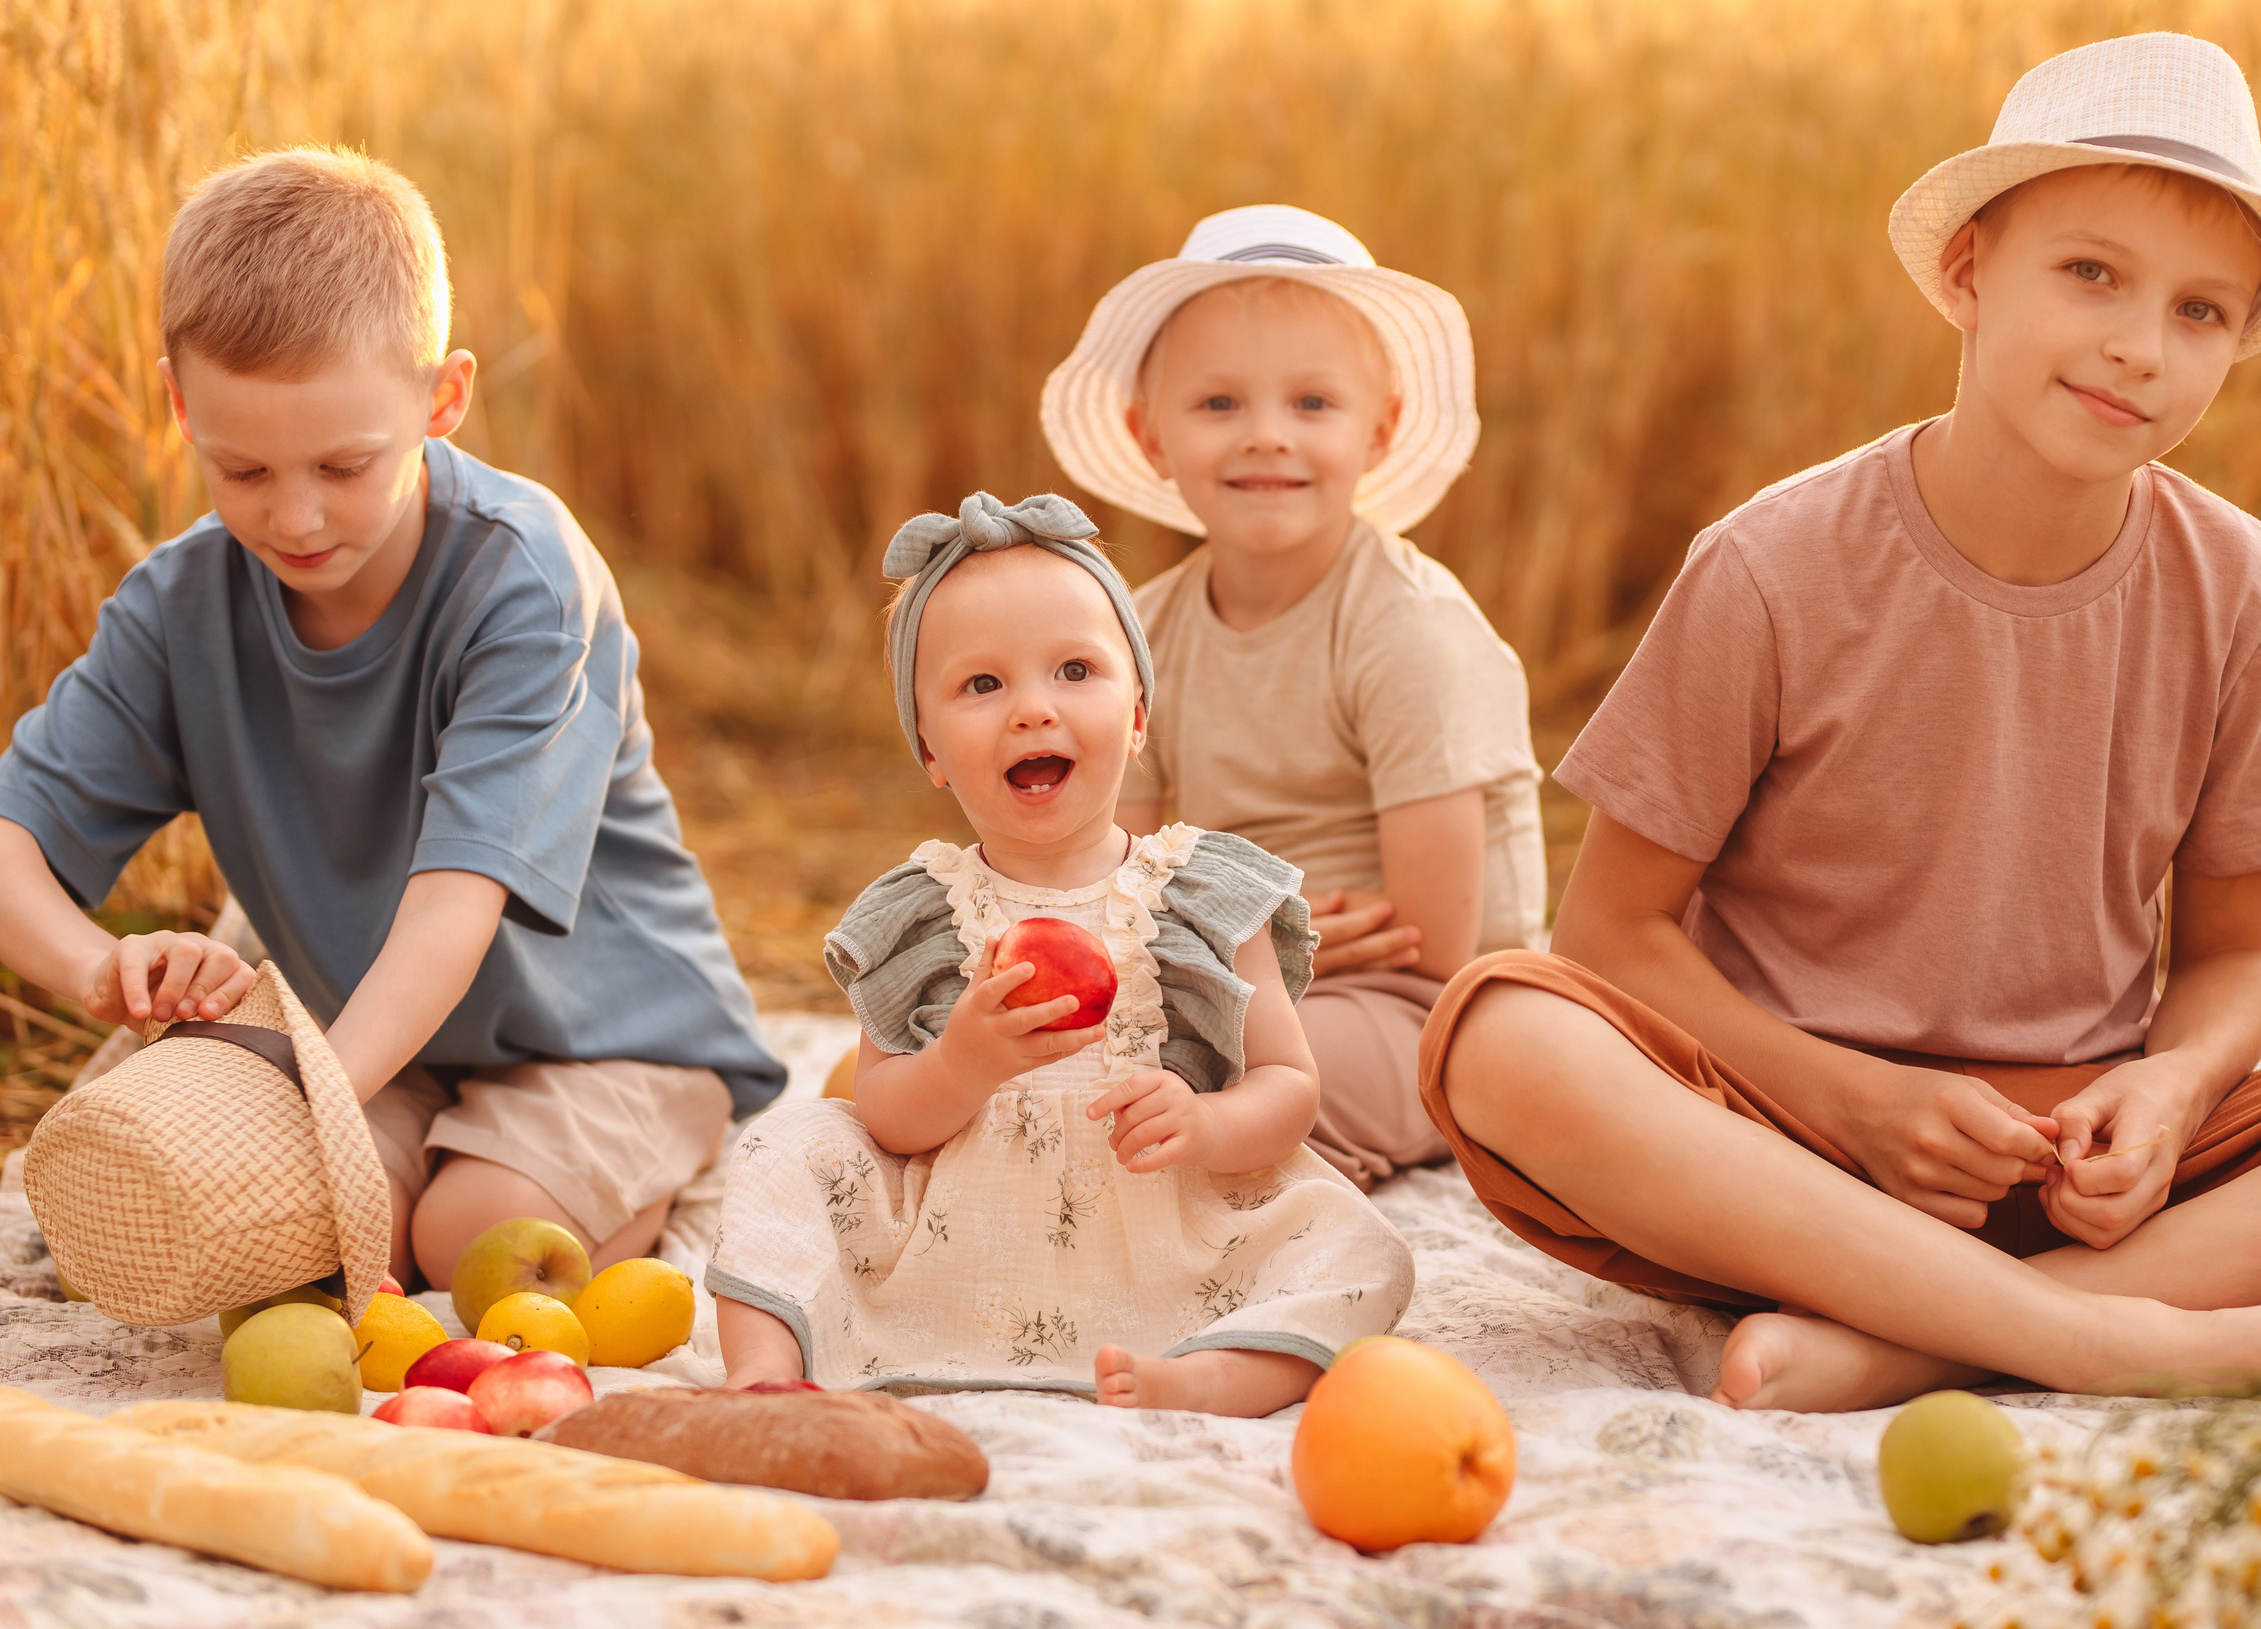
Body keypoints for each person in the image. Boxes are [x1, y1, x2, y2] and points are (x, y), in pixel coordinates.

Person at [1415, 33, 2261, 1413]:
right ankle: (2116, 1342)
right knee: (1499, 1027)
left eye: (2201, 312)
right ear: (1965, 273)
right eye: (2092, 274)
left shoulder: (2250, 593)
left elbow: (2238, 957)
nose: (2140, 347)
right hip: (1784, 1155)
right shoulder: (1771, 566)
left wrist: (2172, 1089)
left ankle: (1924, 1341)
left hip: (2084, 1175)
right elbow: (1610, 936)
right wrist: (1855, 1102)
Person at [0, 148, 782, 1289]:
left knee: (469, 1239)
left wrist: (303, 1103)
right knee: (257, 1232)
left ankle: (678, 1138)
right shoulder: (179, 608)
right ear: (180, 406)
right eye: (244, 470)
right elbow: (13, 841)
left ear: (441, 399)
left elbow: (453, 911)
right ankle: (389, 1168)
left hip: (604, 1034)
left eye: (343, 465)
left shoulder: (523, 579)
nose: (296, 517)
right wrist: (98, 966)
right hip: (367, 1034)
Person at [709, 494, 1413, 1413]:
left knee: (1358, 1245)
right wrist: (960, 1063)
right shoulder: (924, 910)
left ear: (1138, 716)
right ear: (929, 748)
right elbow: (882, 1112)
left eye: (1075, 670)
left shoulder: (1204, 893)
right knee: (786, 1143)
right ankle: (763, 1373)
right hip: (956, 1248)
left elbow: (1290, 1083)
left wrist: (1208, 1123)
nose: (1033, 710)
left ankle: (1209, 1373)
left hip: (1167, 1238)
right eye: (982, 684)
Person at [1042, 204, 1542, 1190]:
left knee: (1207, 1086)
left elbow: (1430, 940)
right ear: (1150, 435)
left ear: (1378, 431)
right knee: (1029, 1058)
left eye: (1312, 403)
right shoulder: (1141, 633)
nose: (1266, 436)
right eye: (1218, 403)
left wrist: (1254, 950)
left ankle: (1263, 1197)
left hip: (1417, 1011)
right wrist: (1220, 955)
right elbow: (1102, 874)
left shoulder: (1407, 629)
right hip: (1222, 973)